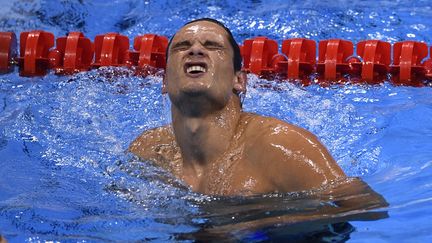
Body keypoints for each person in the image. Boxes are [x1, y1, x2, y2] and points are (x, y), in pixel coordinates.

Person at [129, 18, 346, 196]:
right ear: (165, 82)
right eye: (181, 47)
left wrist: (270, 219)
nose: (195, 50)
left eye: (212, 46)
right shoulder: (148, 152)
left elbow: (365, 208)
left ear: (239, 81)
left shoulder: (281, 147)